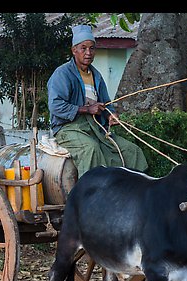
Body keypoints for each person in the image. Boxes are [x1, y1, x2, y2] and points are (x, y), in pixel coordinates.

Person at [46, 24, 148, 178]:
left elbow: (106, 103)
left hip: (95, 128)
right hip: (67, 129)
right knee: (91, 149)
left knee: (131, 151)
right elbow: (55, 106)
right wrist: (87, 109)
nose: (88, 53)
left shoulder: (96, 76)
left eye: (92, 48)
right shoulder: (62, 74)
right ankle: (89, 195)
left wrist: (110, 115)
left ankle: (131, 193)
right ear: (74, 50)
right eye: (83, 48)